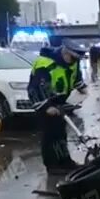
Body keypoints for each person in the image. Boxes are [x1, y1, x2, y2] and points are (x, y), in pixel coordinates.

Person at [27, 43, 87, 175]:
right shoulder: (45, 64)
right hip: (45, 103)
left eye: (77, 60)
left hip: (60, 102)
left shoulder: (73, 62)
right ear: (65, 53)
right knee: (50, 136)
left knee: (61, 134)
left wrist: (83, 89)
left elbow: (76, 79)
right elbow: (35, 89)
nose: (75, 62)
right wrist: (46, 107)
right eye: (72, 58)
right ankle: (52, 166)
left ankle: (65, 162)